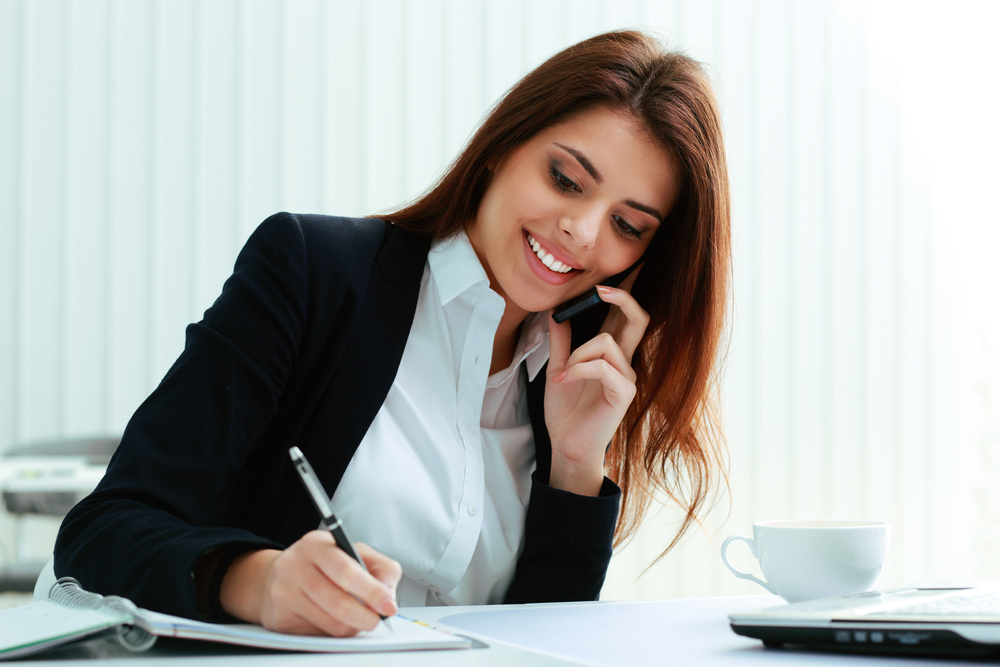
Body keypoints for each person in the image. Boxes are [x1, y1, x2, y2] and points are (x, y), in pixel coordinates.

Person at [55, 29, 730, 638]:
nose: (582, 232)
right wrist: (259, 581)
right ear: (500, 148)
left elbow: (542, 639)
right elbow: (102, 533)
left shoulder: (572, 386)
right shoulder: (313, 272)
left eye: (628, 225)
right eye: (564, 178)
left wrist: (577, 464)